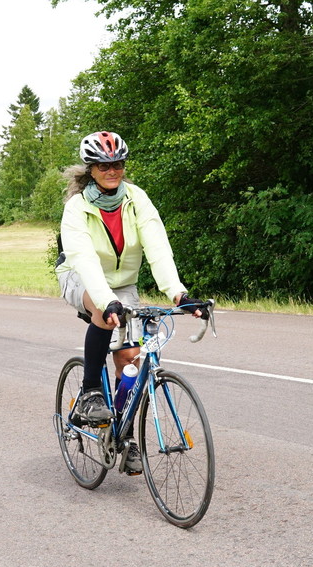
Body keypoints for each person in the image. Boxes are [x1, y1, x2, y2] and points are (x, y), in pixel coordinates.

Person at [55, 131, 205, 475]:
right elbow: (84, 260)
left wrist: (178, 294)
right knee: (103, 312)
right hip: (79, 276)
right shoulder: (76, 208)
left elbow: (157, 247)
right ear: (91, 170)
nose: (112, 171)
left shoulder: (137, 199)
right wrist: (107, 301)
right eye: (104, 166)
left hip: (122, 283)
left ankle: (123, 437)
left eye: (118, 164)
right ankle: (91, 391)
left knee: (130, 360)